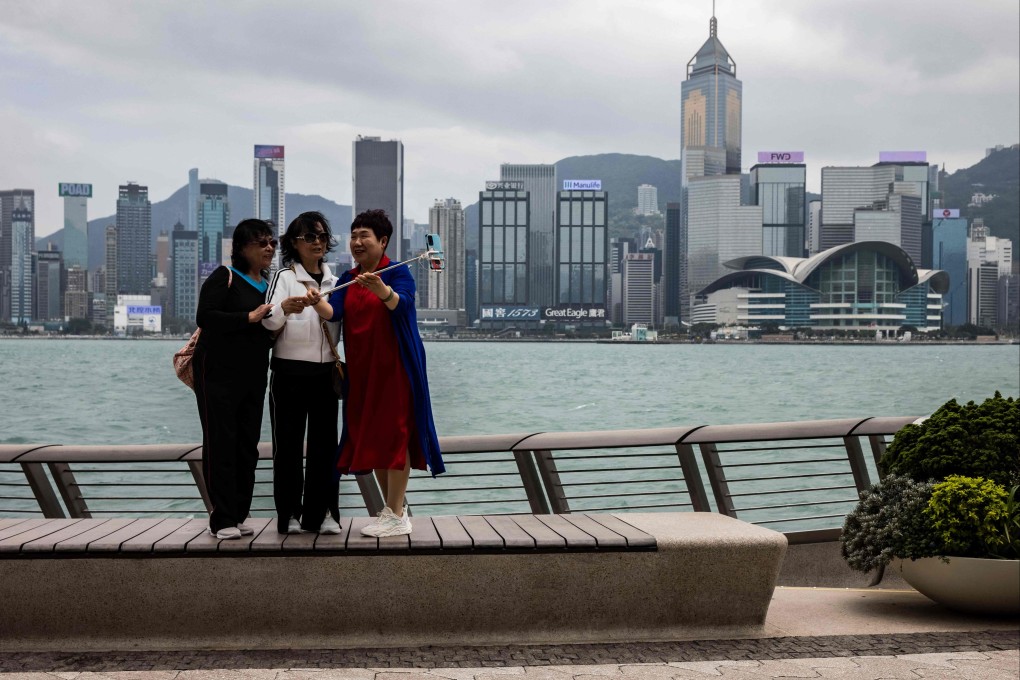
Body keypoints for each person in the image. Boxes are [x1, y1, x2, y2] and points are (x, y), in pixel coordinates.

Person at [307, 209, 444, 537]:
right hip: (363, 373)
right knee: (376, 439)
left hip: (395, 368)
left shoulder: (397, 274)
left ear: (383, 241)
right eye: (353, 236)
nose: (356, 242)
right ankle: (395, 511)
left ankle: (395, 514)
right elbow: (334, 311)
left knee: (396, 435)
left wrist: (381, 289)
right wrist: (315, 302)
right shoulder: (347, 278)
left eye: (363, 236)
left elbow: (403, 304)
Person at [193, 218, 276, 539]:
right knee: (221, 443)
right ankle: (222, 519)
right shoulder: (224, 277)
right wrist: (249, 317)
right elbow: (206, 316)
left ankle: (239, 512)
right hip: (217, 375)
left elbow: (267, 331)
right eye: (261, 242)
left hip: (254, 375)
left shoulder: (268, 285)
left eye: (272, 243)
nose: (269, 248)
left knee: (247, 446)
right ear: (242, 248)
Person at [262, 211, 343, 535]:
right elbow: (267, 322)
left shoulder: (336, 282)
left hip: (325, 373)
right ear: (294, 243)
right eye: (310, 237)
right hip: (288, 372)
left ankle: (323, 515)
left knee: (326, 448)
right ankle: (289, 515)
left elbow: (340, 327)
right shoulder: (283, 277)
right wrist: (285, 309)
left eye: (322, 236)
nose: (318, 242)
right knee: (288, 449)